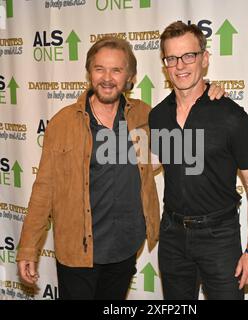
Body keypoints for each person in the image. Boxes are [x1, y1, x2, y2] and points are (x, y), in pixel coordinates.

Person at [16, 37, 224, 300]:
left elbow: (184, 115)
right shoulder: (63, 123)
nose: (107, 78)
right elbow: (44, 189)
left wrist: (210, 92)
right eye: (100, 69)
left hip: (124, 249)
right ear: (89, 72)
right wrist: (27, 249)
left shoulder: (146, 116)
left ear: (130, 77)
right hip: (76, 252)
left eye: (116, 70)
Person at [149, 22, 248, 300]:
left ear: (204, 58)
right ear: (164, 64)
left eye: (189, 55)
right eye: (171, 58)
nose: (180, 65)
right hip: (172, 236)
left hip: (220, 238)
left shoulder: (230, 115)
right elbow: (148, 163)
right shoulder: (157, 116)